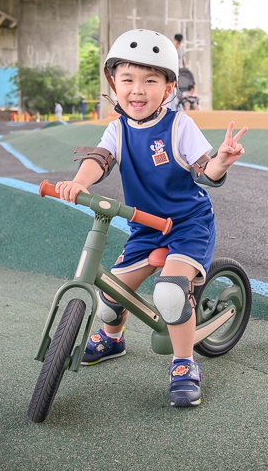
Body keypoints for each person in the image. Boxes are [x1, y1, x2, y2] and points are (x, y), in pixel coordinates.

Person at [54, 28, 247, 408]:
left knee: (170, 293)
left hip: (187, 226)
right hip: (145, 226)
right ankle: (113, 336)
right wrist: (77, 183)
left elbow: (204, 170)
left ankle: (184, 363)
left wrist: (221, 161)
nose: (137, 90)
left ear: (169, 88)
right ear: (114, 82)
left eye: (150, 80)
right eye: (127, 79)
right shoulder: (117, 129)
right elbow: (100, 160)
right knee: (108, 293)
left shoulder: (178, 125)